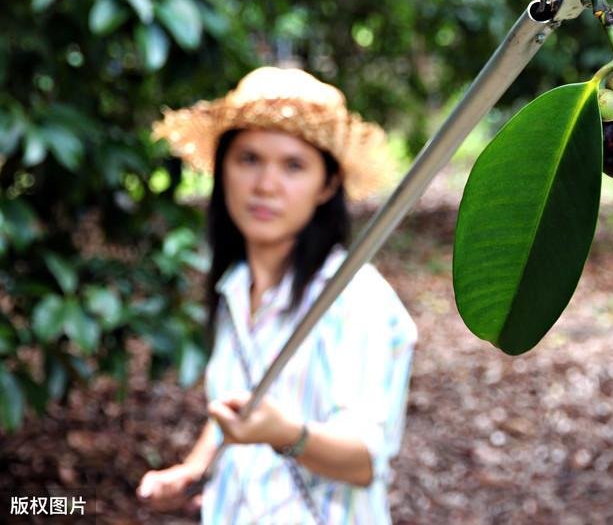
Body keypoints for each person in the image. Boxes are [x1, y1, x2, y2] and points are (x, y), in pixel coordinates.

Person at [136, 66, 416, 524]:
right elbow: (239, 402)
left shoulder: (356, 298)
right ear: (222, 168)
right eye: (248, 159)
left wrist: (286, 434)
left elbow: (367, 459)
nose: (265, 185)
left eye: (293, 165)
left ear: (327, 185)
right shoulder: (235, 285)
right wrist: (194, 468)